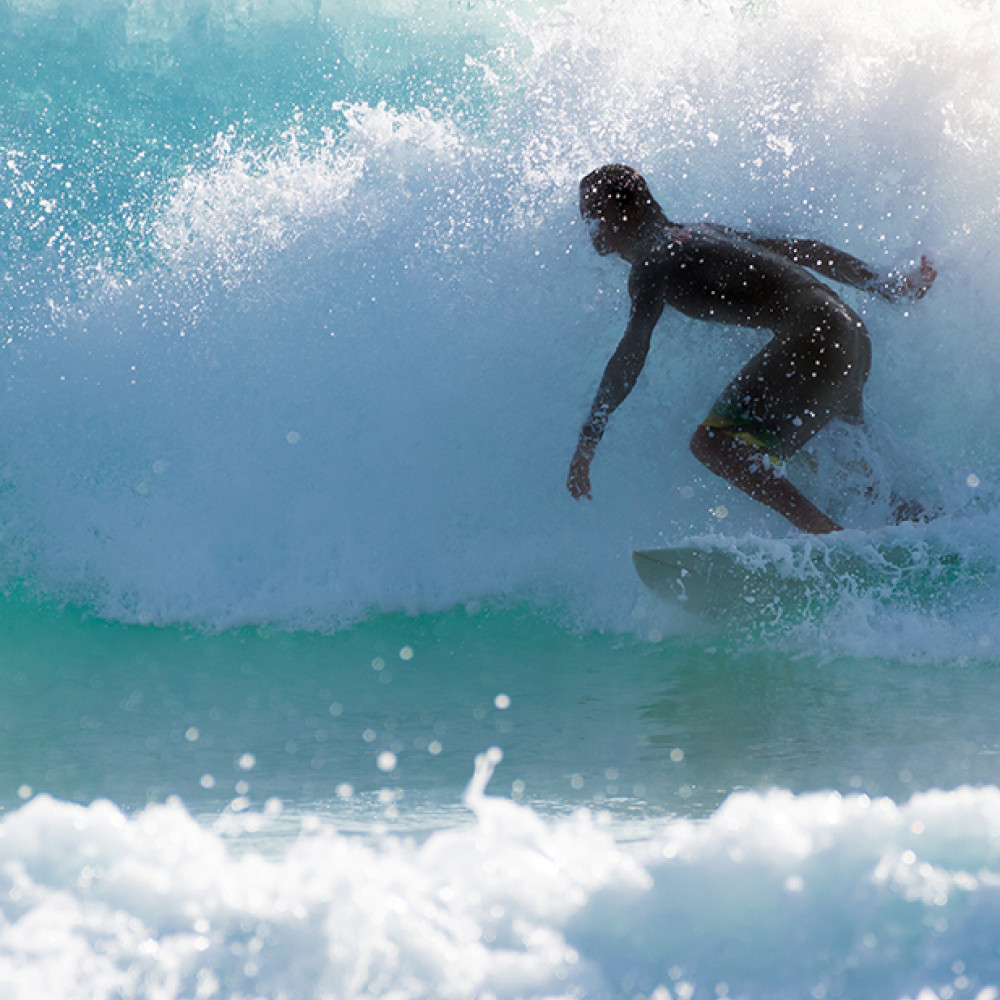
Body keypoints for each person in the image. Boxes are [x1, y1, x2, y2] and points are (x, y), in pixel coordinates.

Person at [566, 164, 937, 534]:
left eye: (596, 211)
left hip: (817, 334)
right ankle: (924, 526)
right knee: (836, 464)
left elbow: (632, 350)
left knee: (714, 445)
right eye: (586, 214)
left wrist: (589, 437)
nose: (590, 224)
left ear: (628, 209)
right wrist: (886, 286)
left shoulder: (653, 258)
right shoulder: (700, 231)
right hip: (849, 332)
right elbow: (801, 250)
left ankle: (829, 537)